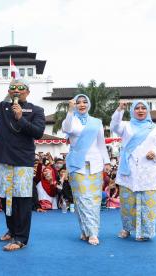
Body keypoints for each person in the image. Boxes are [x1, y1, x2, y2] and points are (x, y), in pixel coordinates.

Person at [0, 65, 45, 251]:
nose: (16, 90)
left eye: (20, 87)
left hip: (23, 161)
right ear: (8, 91)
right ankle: (12, 229)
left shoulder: (36, 110)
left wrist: (21, 118)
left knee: (22, 199)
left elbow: (38, 133)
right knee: (7, 198)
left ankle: (21, 238)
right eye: (13, 87)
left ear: (28, 92)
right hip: (3, 159)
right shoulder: (2, 108)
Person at [110, 101, 156, 241]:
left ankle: (146, 232)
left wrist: (155, 153)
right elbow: (114, 126)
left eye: (143, 108)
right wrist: (119, 110)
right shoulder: (126, 126)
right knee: (127, 203)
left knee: (147, 203)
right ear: (132, 110)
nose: (140, 110)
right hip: (129, 169)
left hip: (149, 170)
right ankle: (127, 228)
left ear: (148, 110)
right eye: (137, 108)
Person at [62, 94, 110, 245]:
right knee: (81, 199)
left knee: (94, 200)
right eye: (78, 102)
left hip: (95, 163)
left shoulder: (96, 122)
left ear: (88, 104)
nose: (81, 105)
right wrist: (70, 111)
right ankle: (88, 231)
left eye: (84, 102)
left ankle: (91, 232)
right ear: (74, 104)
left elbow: (101, 144)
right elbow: (66, 128)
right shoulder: (71, 119)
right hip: (77, 164)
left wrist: (107, 161)